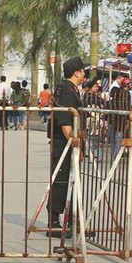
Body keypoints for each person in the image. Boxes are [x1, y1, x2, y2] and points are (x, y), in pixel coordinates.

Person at [47, 56, 85, 237]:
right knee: (61, 180)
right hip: (64, 143)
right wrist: (74, 141)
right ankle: (54, 221)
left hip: (66, 142)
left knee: (70, 180)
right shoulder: (68, 91)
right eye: (83, 71)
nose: (85, 74)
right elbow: (65, 121)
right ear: (77, 72)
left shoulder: (67, 88)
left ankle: (71, 219)